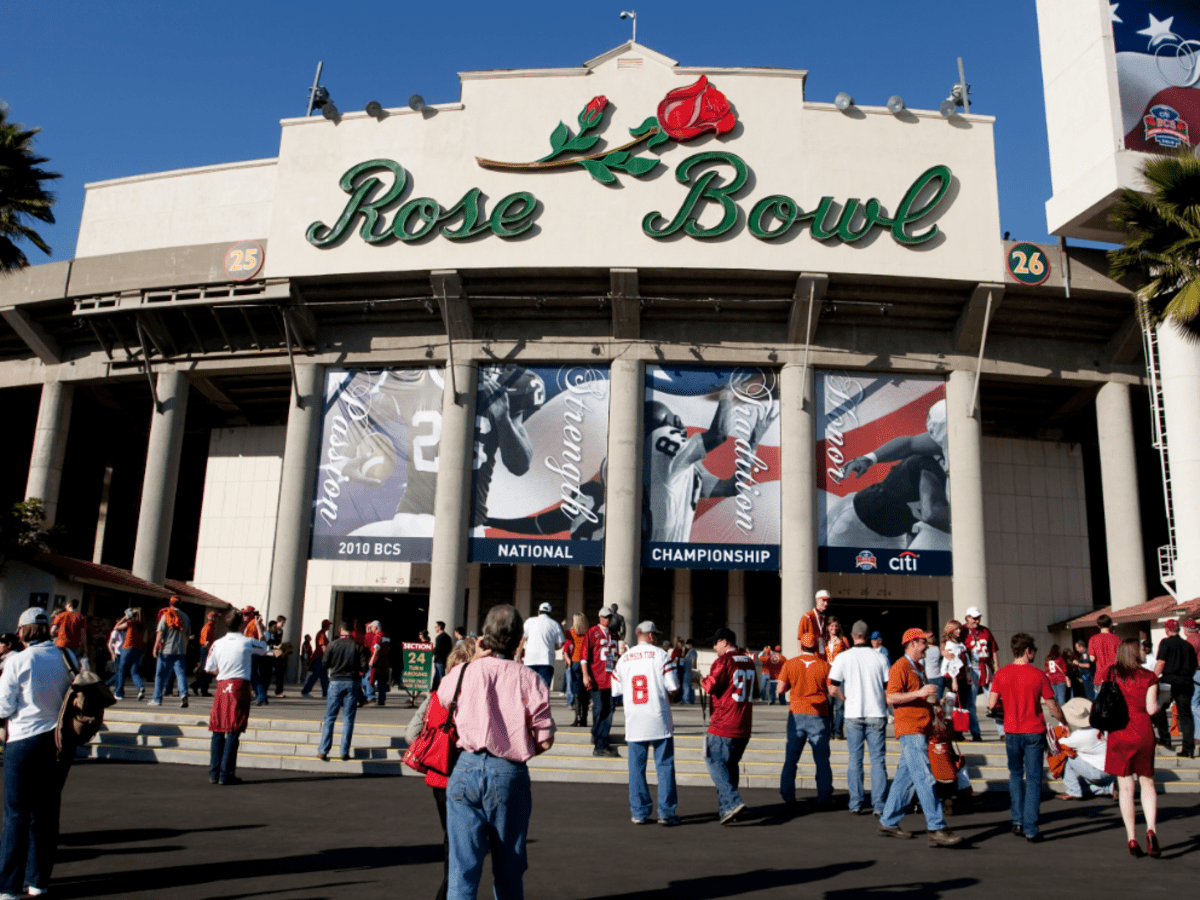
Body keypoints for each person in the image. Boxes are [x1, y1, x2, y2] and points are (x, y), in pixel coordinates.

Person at [441, 604, 554, 900]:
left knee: (461, 869)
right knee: (509, 868)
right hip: (508, 770)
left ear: (484, 639)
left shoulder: (464, 673)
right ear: (520, 641)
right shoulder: (531, 680)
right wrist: (518, 747)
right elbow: (544, 740)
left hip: (465, 767)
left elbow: (442, 698)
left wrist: (475, 659)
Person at [0, 608, 75, 898]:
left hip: (22, 740)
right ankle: (38, 882)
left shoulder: (19, 660)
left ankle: (8, 886)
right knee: (45, 815)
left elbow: (4, 707)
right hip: (57, 741)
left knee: (16, 814)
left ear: (24, 630)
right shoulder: (67, 657)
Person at [405, 637, 476, 900]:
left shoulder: (436, 696)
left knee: (451, 838)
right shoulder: (474, 699)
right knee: (466, 844)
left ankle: (448, 892)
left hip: (438, 776)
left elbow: (410, 734)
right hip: (466, 775)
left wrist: (436, 747)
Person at [878, 628, 962, 847]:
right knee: (925, 778)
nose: (927, 645)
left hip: (919, 728)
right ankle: (936, 827)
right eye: (924, 642)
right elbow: (890, 697)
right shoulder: (900, 666)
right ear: (912, 643)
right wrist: (919, 694)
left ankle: (888, 821)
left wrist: (935, 705)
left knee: (905, 779)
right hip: (911, 729)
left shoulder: (917, 667)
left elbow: (917, 696)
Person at [988, 633, 1065, 843]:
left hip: (1012, 731)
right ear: (1028, 651)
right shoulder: (1039, 675)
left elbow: (992, 704)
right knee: (1033, 780)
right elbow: (1052, 705)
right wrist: (1063, 720)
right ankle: (1031, 828)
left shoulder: (1001, 674)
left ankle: (1017, 820)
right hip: (1033, 731)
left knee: (1015, 775)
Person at [613, 621, 681, 826]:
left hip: (635, 719)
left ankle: (639, 811)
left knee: (636, 768)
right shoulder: (661, 655)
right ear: (650, 636)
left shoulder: (624, 658)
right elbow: (673, 686)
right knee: (665, 766)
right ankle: (666, 812)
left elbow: (616, 690)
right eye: (656, 634)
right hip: (658, 718)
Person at [1104, 638, 1162, 857]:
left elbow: (1104, 699)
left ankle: (1131, 838)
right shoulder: (1149, 677)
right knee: (1147, 782)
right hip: (1142, 729)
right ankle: (1151, 829)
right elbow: (1151, 709)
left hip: (1119, 730)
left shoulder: (1112, 674)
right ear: (1137, 653)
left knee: (1125, 788)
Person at [830, 619, 891, 816]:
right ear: (867, 636)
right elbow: (887, 688)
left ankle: (856, 803)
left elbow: (832, 687)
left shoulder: (843, 657)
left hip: (853, 713)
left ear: (853, 636)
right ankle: (879, 805)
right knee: (877, 760)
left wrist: (845, 698)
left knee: (855, 760)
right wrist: (885, 704)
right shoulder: (880, 657)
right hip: (876, 713)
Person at [204, 608, 270, 785]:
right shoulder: (247, 642)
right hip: (239, 686)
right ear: (241, 623)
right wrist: (260, 628)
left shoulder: (217, 643)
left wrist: (222, 671)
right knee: (234, 729)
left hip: (222, 685)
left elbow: (209, 667)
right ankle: (226, 773)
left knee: (218, 728)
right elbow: (264, 646)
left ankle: (214, 772)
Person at [702, 627, 755, 825]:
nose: (714, 647)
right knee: (730, 766)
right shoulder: (748, 660)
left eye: (716, 643)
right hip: (744, 722)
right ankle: (727, 808)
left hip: (724, 721)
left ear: (724, 642)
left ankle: (732, 802)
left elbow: (710, 686)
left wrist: (698, 678)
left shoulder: (724, 661)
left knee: (714, 761)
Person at [777, 631, 833, 809]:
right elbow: (831, 689)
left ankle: (788, 793)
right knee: (822, 759)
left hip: (796, 714)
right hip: (818, 714)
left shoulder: (790, 664)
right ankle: (824, 794)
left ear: (801, 646)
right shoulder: (824, 666)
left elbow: (780, 689)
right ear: (816, 647)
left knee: (791, 757)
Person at [318, 621, 369, 762]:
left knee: (329, 717)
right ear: (351, 631)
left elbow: (324, 663)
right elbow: (363, 666)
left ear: (340, 630)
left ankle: (323, 750)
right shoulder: (357, 646)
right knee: (348, 719)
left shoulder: (333, 644)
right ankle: (344, 751)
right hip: (352, 683)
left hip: (335, 681)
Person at [1055, 697, 1115, 801]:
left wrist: (1064, 724)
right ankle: (1109, 788)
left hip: (1098, 772)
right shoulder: (1097, 727)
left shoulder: (1079, 736)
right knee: (1080, 784)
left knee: (1064, 755)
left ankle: (1073, 791)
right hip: (1110, 769)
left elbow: (1056, 743)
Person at [1153, 618, 1197, 758]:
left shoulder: (1165, 643)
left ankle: (1165, 740)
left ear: (1167, 630)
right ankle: (1188, 748)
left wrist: (1153, 677)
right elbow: (1194, 666)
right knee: (1185, 716)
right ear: (1178, 630)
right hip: (1185, 683)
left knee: (1159, 709)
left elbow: (1161, 662)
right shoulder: (1187, 645)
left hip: (1168, 682)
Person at [581, 606, 618, 757]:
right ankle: (600, 744)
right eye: (605, 617)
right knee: (599, 708)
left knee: (609, 710)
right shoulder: (592, 632)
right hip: (596, 678)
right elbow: (584, 656)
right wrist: (585, 674)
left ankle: (599, 737)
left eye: (610, 617)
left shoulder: (614, 635)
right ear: (599, 617)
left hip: (611, 678)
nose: (608, 619)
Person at [963, 607, 998, 742]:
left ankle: (1002, 732)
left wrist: (997, 667)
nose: (977, 620)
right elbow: (947, 641)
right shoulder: (963, 631)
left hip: (985, 667)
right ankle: (975, 733)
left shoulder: (985, 631)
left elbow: (993, 650)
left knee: (994, 700)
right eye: (974, 618)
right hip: (971, 668)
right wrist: (944, 652)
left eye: (978, 617)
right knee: (971, 703)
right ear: (968, 618)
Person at [150, 597, 191, 708]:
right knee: (181, 674)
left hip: (166, 650)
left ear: (170, 603)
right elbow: (187, 636)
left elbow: (160, 633)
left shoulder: (166, 615)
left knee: (160, 675)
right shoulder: (186, 617)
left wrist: (155, 647)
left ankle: (157, 699)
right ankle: (183, 695)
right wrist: (185, 648)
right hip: (181, 651)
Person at [518, 602, 564, 691]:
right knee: (543, 689)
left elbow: (522, 639)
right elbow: (561, 644)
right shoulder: (555, 624)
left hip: (530, 660)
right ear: (550, 613)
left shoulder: (529, 621)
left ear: (538, 612)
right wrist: (552, 647)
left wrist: (518, 655)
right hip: (546, 660)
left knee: (529, 688)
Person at [824, 617, 850, 739]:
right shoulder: (824, 640)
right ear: (827, 627)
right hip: (828, 674)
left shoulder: (843, 640)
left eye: (836, 626)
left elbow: (849, 655)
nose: (834, 628)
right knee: (829, 704)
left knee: (840, 704)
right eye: (831, 626)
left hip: (841, 674)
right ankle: (829, 731)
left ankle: (838, 731)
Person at [113, 608, 145, 701]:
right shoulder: (142, 625)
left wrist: (124, 617)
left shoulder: (130, 623)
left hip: (127, 648)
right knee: (134, 671)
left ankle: (119, 693)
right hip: (138, 649)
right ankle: (140, 687)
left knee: (121, 671)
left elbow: (116, 627)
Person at [50, 598, 88, 672]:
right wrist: (85, 647)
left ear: (69, 605)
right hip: (74, 645)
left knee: (59, 665)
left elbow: (52, 631)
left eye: (66, 604)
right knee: (73, 666)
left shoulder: (61, 615)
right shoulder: (80, 617)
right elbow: (83, 634)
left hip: (61, 644)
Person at [564, 613, 587, 725]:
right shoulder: (588, 632)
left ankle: (577, 717)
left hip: (576, 662)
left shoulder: (570, 633)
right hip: (586, 663)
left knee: (577, 692)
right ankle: (584, 718)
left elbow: (565, 645)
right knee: (585, 692)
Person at [1088, 614, 1123, 684]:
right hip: (1115, 676)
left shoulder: (1093, 639)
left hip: (1100, 677)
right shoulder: (1117, 639)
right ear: (1110, 624)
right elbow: (1122, 657)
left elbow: (1092, 659)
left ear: (1098, 625)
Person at [301, 619, 332, 698]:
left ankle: (326, 693)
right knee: (315, 676)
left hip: (321, 657)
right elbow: (322, 646)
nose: (330, 626)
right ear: (326, 625)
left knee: (324, 676)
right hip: (319, 658)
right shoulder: (321, 634)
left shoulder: (323, 634)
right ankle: (305, 691)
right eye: (329, 625)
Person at [191, 610, 218, 697]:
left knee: (207, 671)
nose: (216, 620)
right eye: (215, 618)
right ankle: (202, 689)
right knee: (206, 671)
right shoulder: (208, 627)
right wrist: (211, 652)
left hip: (207, 650)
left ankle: (197, 686)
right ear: (212, 619)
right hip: (206, 650)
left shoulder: (210, 627)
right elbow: (206, 643)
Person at [1183, 618, 1200, 747]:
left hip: (1196, 673)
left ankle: (1198, 735)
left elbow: (1187, 660)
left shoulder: (1190, 641)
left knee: (1194, 704)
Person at [798, 590, 830, 655]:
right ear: (817, 600)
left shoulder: (825, 618)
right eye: (823, 600)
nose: (826, 604)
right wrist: (801, 653)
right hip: (809, 654)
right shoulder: (807, 616)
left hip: (821, 653)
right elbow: (800, 637)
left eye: (827, 601)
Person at [367, 621, 390, 706]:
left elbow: (376, 648)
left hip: (378, 661)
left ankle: (371, 697)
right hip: (384, 661)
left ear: (375, 627)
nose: (371, 629)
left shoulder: (378, 635)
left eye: (372, 627)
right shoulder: (385, 635)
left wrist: (372, 659)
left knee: (372, 679)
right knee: (382, 681)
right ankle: (381, 700)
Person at [432, 621, 452, 691]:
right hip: (444, 659)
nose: (435, 628)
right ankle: (439, 690)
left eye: (436, 627)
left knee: (438, 677)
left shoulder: (439, 637)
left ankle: (437, 691)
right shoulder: (448, 637)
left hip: (439, 659)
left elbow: (437, 648)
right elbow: (450, 648)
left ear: (439, 627)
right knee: (439, 676)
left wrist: (432, 653)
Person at [682, 639, 698, 705]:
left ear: (690, 644)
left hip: (689, 670)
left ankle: (686, 699)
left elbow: (694, 661)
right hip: (687, 669)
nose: (686, 646)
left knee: (687, 685)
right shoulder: (689, 651)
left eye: (687, 644)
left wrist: (693, 670)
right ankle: (691, 700)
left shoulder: (692, 651)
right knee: (690, 685)